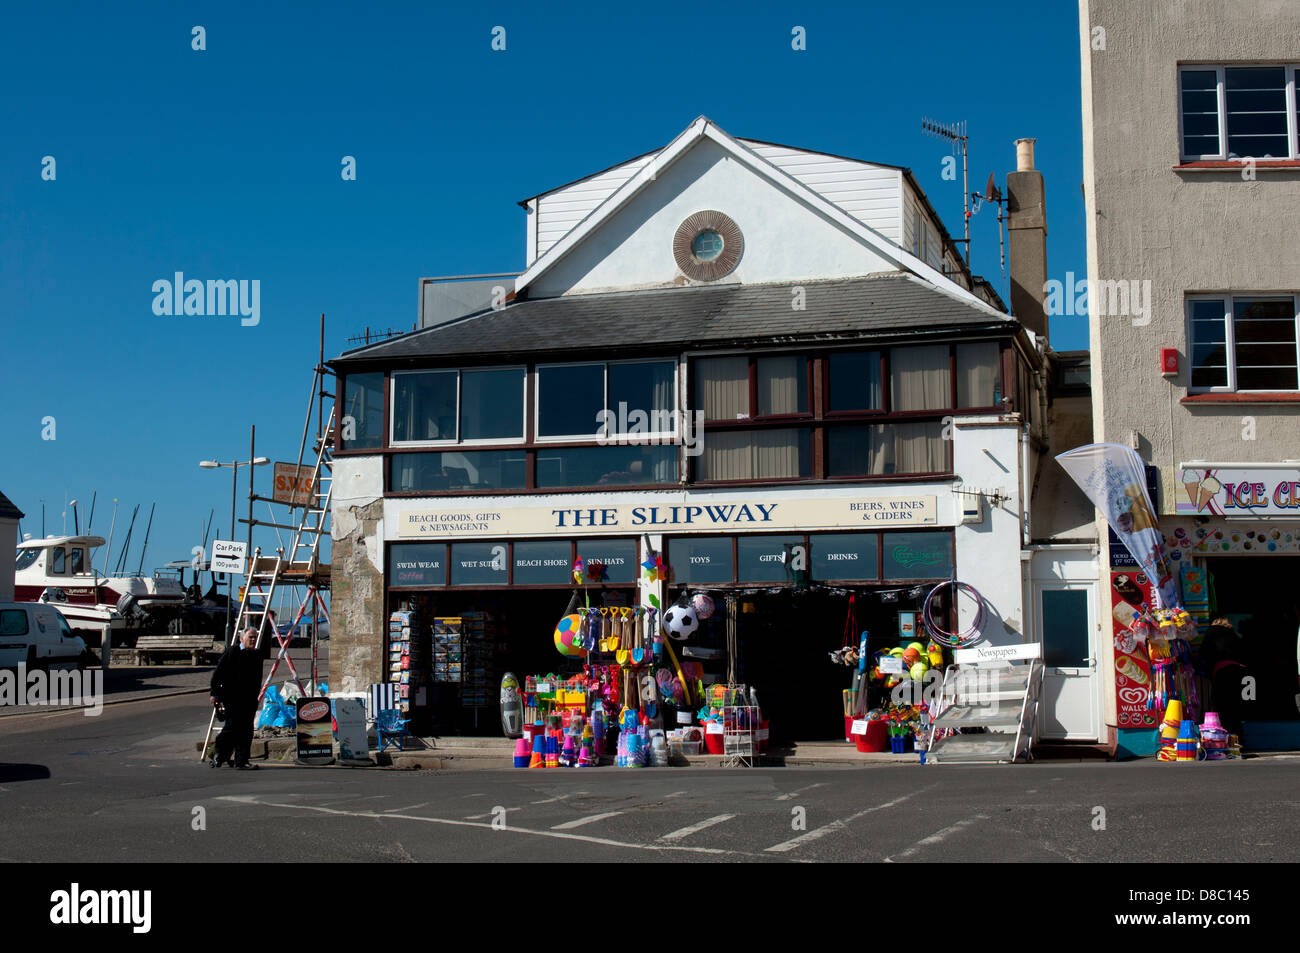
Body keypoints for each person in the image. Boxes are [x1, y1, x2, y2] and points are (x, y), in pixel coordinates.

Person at [209, 626, 267, 770]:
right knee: (232, 728)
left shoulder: (257, 655)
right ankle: (218, 754)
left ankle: (242, 761)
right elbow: (218, 673)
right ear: (242, 639)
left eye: (254, 637)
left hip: (249, 699)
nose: (253, 640)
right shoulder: (233, 652)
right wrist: (215, 693)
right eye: (250, 637)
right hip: (232, 698)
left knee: (246, 731)